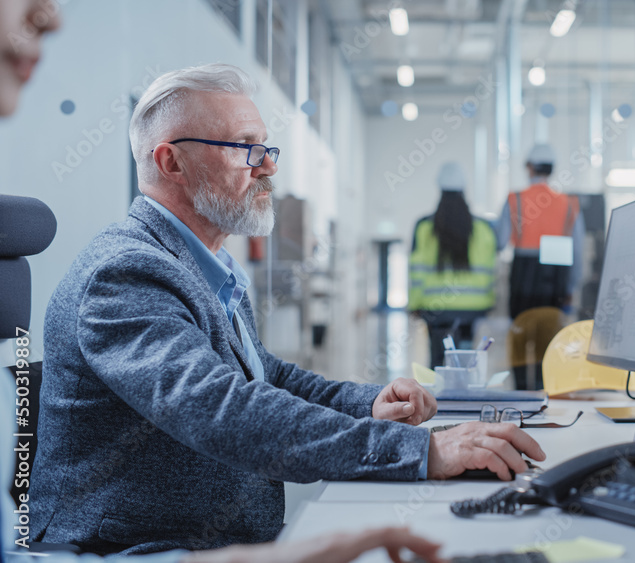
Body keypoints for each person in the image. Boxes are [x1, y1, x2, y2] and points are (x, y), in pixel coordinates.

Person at [25, 62, 543, 555]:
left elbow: (264, 376)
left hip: (216, 538)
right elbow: (222, 409)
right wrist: (423, 452)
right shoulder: (125, 274)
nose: (269, 165)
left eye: (266, 146)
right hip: (136, 548)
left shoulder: (206, 265)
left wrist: (366, 403)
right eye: (244, 148)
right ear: (171, 162)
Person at [408, 162, 497, 367]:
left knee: (438, 364)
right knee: (465, 363)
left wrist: (415, 305)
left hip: (436, 308)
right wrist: (488, 302)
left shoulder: (424, 227)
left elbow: (416, 272)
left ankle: (436, 398)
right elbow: (491, 270)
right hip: (473, 308)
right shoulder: (483, 229)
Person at [495, 143, 585, 320]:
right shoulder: (569, 203)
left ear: (529, 167)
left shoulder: (515, 199)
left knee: (521, 337)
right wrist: (571, 288)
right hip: (556, 278)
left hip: (523, 277)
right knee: (549, 339)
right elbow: (577, 251)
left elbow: (500, 241)